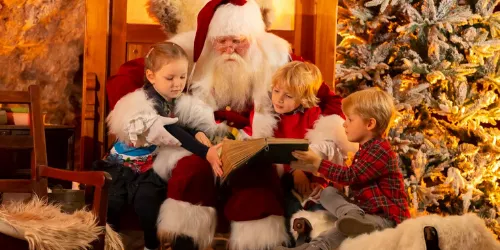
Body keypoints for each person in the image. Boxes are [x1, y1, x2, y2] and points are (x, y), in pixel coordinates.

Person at [102, 42, 224, 250]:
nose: (177, 84)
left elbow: (181, 124)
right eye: (170, 78)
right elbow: (171, 130)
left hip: (149, 165)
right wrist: (206, 152)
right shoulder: (149, 101)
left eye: (182, 77)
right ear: (151, 76)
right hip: (124, 164)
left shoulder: (175, 99)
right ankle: (109, 244)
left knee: (147, 202)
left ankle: (151, 246)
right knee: (113, 203)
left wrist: (198, 132)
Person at [274, 88, 411, 250]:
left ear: (370, 124)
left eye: (350, 120)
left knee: (340, 229)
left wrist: (318, 163)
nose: (344, 124)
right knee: (328, 193)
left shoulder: (380, 150)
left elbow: (351, 176)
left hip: (386, 219)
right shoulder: (366, 149)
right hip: (365, 214)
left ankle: (342, 226)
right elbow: (358, 186)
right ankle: (350, 217)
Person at [242, 61, 357, 245]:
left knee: (318, 209)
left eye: (288, 96)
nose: (279, 99)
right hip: (283, 179)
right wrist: (295, 171)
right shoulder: (269, 117)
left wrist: (314, 178)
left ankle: (316, 240)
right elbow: (272, 149)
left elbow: (322, 150)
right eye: (276, 91)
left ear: (303, 98)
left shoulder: (313, 115)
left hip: (312, 177)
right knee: (288, 208)